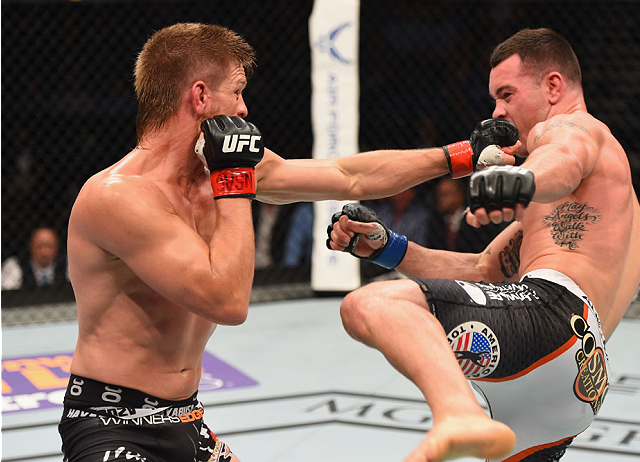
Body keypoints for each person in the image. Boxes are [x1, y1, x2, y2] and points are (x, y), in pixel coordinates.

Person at [59, 22, 520, 461]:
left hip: (186, 418)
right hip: (109, 422)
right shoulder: (117, 198)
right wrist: (235, 182)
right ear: (200, 95)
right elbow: (227, 300)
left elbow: (349, 176)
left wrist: (462, 156)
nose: (243, 110)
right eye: (236, 92)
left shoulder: (213, 173)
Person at [327, 28, 640, 462]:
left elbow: (565, 156)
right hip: (576, 377)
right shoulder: (596, 205)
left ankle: (458, 415)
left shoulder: (576, 129)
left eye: (507, 94)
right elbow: (481, 270)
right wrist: (387, 247)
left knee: (371, 305)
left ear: (553, 86)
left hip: (555, 318)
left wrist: (521, 180)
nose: (497, 110)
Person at [1, 226, 69, 290]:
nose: (44, 252)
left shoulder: (68, 264)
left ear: (57, 248)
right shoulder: (15, 265)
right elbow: (6, 292)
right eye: (39, 247)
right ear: (31, 247)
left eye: (49, 246)